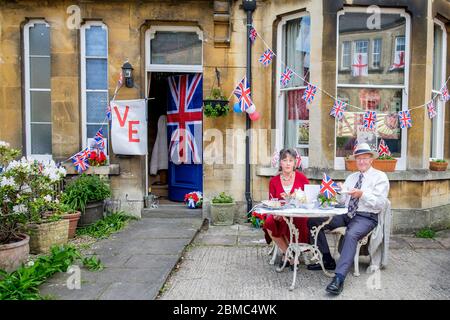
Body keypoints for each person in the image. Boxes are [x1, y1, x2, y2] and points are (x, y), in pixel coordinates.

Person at [307, 143, 389, 295]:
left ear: (371, 159)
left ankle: (339, 278)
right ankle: (326, 259)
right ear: (355, 160)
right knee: (314, 221)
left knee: (351, 235)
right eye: (359, 159)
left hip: (366, 217)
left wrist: (362, 194)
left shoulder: (380, 177)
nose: (362, 161)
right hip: (346, 214)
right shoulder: (352, 177)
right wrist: (340, 191)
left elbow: (380, 204)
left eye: (365, 158)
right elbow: (344, 202)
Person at [262, 148, 310, 269]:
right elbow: (272, 202)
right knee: (269, 221)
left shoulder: (302, 179)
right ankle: (289, 254)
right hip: (280, 214)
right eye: (285, 160)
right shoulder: (273, 181)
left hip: (298, 214)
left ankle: (290, 253)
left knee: (300, 220)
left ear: (295, 163)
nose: (288, 163)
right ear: (280, 163)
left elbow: (308, 199)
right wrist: (276, 213)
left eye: (291, 160)